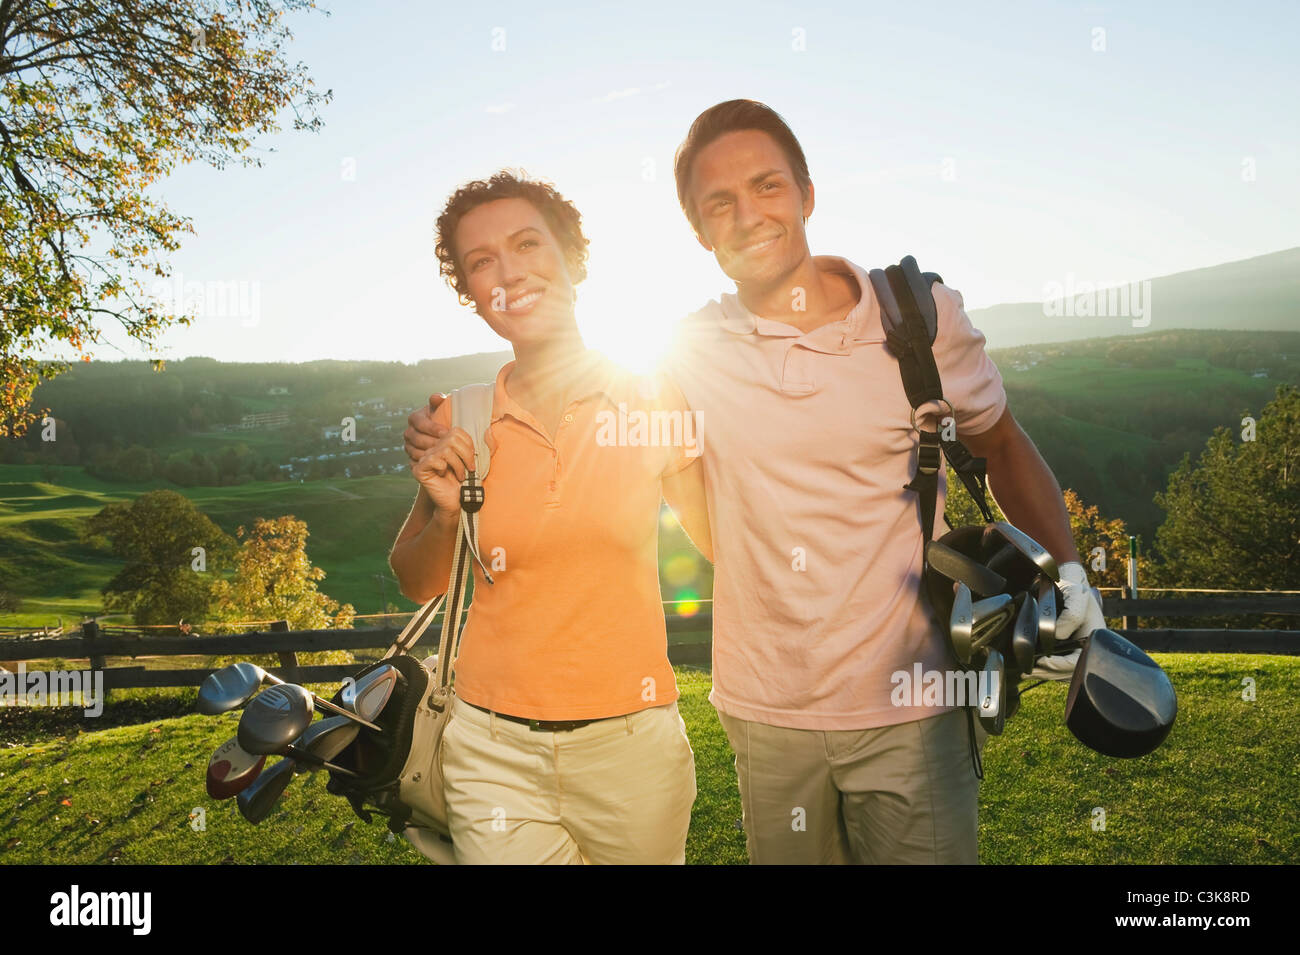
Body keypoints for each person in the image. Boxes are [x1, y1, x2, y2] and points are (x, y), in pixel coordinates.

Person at [405, 103, 1107, 866]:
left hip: (915, 702)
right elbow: (595, 434)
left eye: (767, 185)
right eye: (719, 204)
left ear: (806, 192)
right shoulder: (687, 354)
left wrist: (1071, 576)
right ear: (699, 232)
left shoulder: (915, 320)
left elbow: (1001, 442)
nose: (748, 215)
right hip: (763, 715)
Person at [389, 170, 711, 865]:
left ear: (572, 257)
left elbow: (724, 541)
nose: (507, 271)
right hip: (491, 752)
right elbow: (417, 582)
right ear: (471, 294)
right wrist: (446, 517)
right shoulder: (460, 417)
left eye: (528, 243)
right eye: (481, 262)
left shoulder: (654, 398)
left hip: (633, 749)